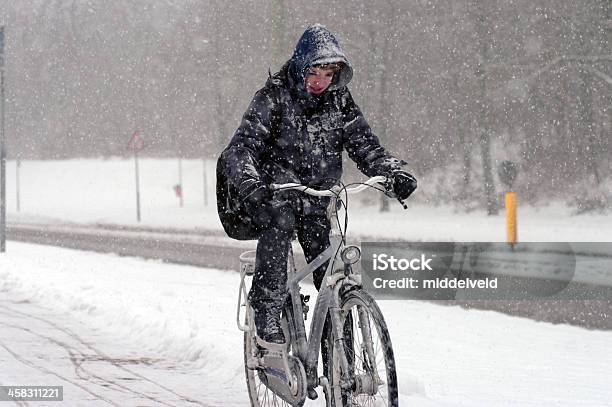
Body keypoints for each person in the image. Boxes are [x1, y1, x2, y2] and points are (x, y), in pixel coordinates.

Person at [217, 24, 417, 346]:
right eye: (315, 72)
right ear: (300, 65)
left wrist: (391, 171)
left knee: (330, 278)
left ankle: (343, 365)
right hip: (276, 198)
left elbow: (364, 143)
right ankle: (267, 306)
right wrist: (251, 184)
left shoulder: (339, 101)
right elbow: (242, 148)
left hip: (318, 200)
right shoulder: (274, 96)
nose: (320, 82)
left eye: (328, 74)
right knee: (279, 224)